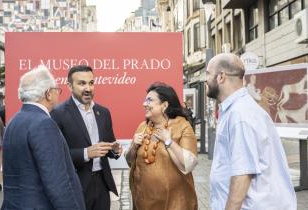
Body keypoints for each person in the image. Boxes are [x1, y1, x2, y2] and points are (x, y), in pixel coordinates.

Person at [204, 53, 297, 210]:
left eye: (208, 73)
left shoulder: (240, 115)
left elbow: (242, 174)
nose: (205, 79)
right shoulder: (236, 110)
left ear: (221, 77)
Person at [2, 65, 85, 210]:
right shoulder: (43, 124)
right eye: (56, 90)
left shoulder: (13, 121)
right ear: (48, 93)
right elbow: (57, 182)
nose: (58, 95)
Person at [51, 65, 122, 210]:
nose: (88, 88)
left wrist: (114, 150)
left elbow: (108, 146)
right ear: (70, 86)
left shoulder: (103, 112)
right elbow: (55, 155)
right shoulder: (58, 114)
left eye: (91, 83)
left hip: (102, 184)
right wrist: (86, 153)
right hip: (75, 185)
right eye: (82, 83)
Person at [125, 82, 198, 210]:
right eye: (145, 100)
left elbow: (189, 164)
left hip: (175, 203)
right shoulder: (143, 127)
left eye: (149, 100)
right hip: (143, 202)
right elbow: (130, 162)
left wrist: (169, 142)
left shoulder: (182, 126)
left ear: (164, 105)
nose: (144, 104)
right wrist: (134, 147)